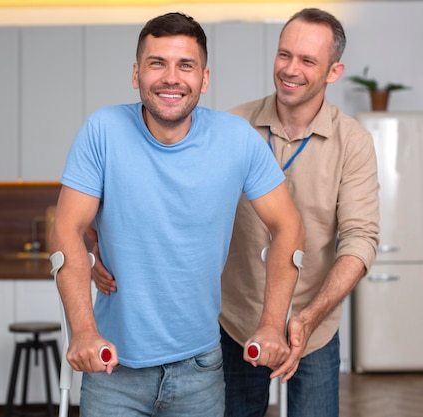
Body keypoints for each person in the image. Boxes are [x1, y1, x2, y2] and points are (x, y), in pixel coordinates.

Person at [50, 12, 305, 417]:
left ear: (204, 79)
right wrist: (83, 333)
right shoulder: (102, 130)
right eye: (157, 63)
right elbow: (66, 228)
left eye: (185, 65)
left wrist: (273, 323)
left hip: (199, 369)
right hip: (112, 365)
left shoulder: (236, 140)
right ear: (136, 74)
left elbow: (288, 226)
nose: (171, 77)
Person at [219, 8, 380, 417]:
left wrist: (307, 319)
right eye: (284, 55)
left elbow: (360, 240)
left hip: (312, 329)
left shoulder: (354, 143)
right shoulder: (232, 127)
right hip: (235, 323)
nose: (290, 70)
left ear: (333, 71)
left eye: (308, 60)